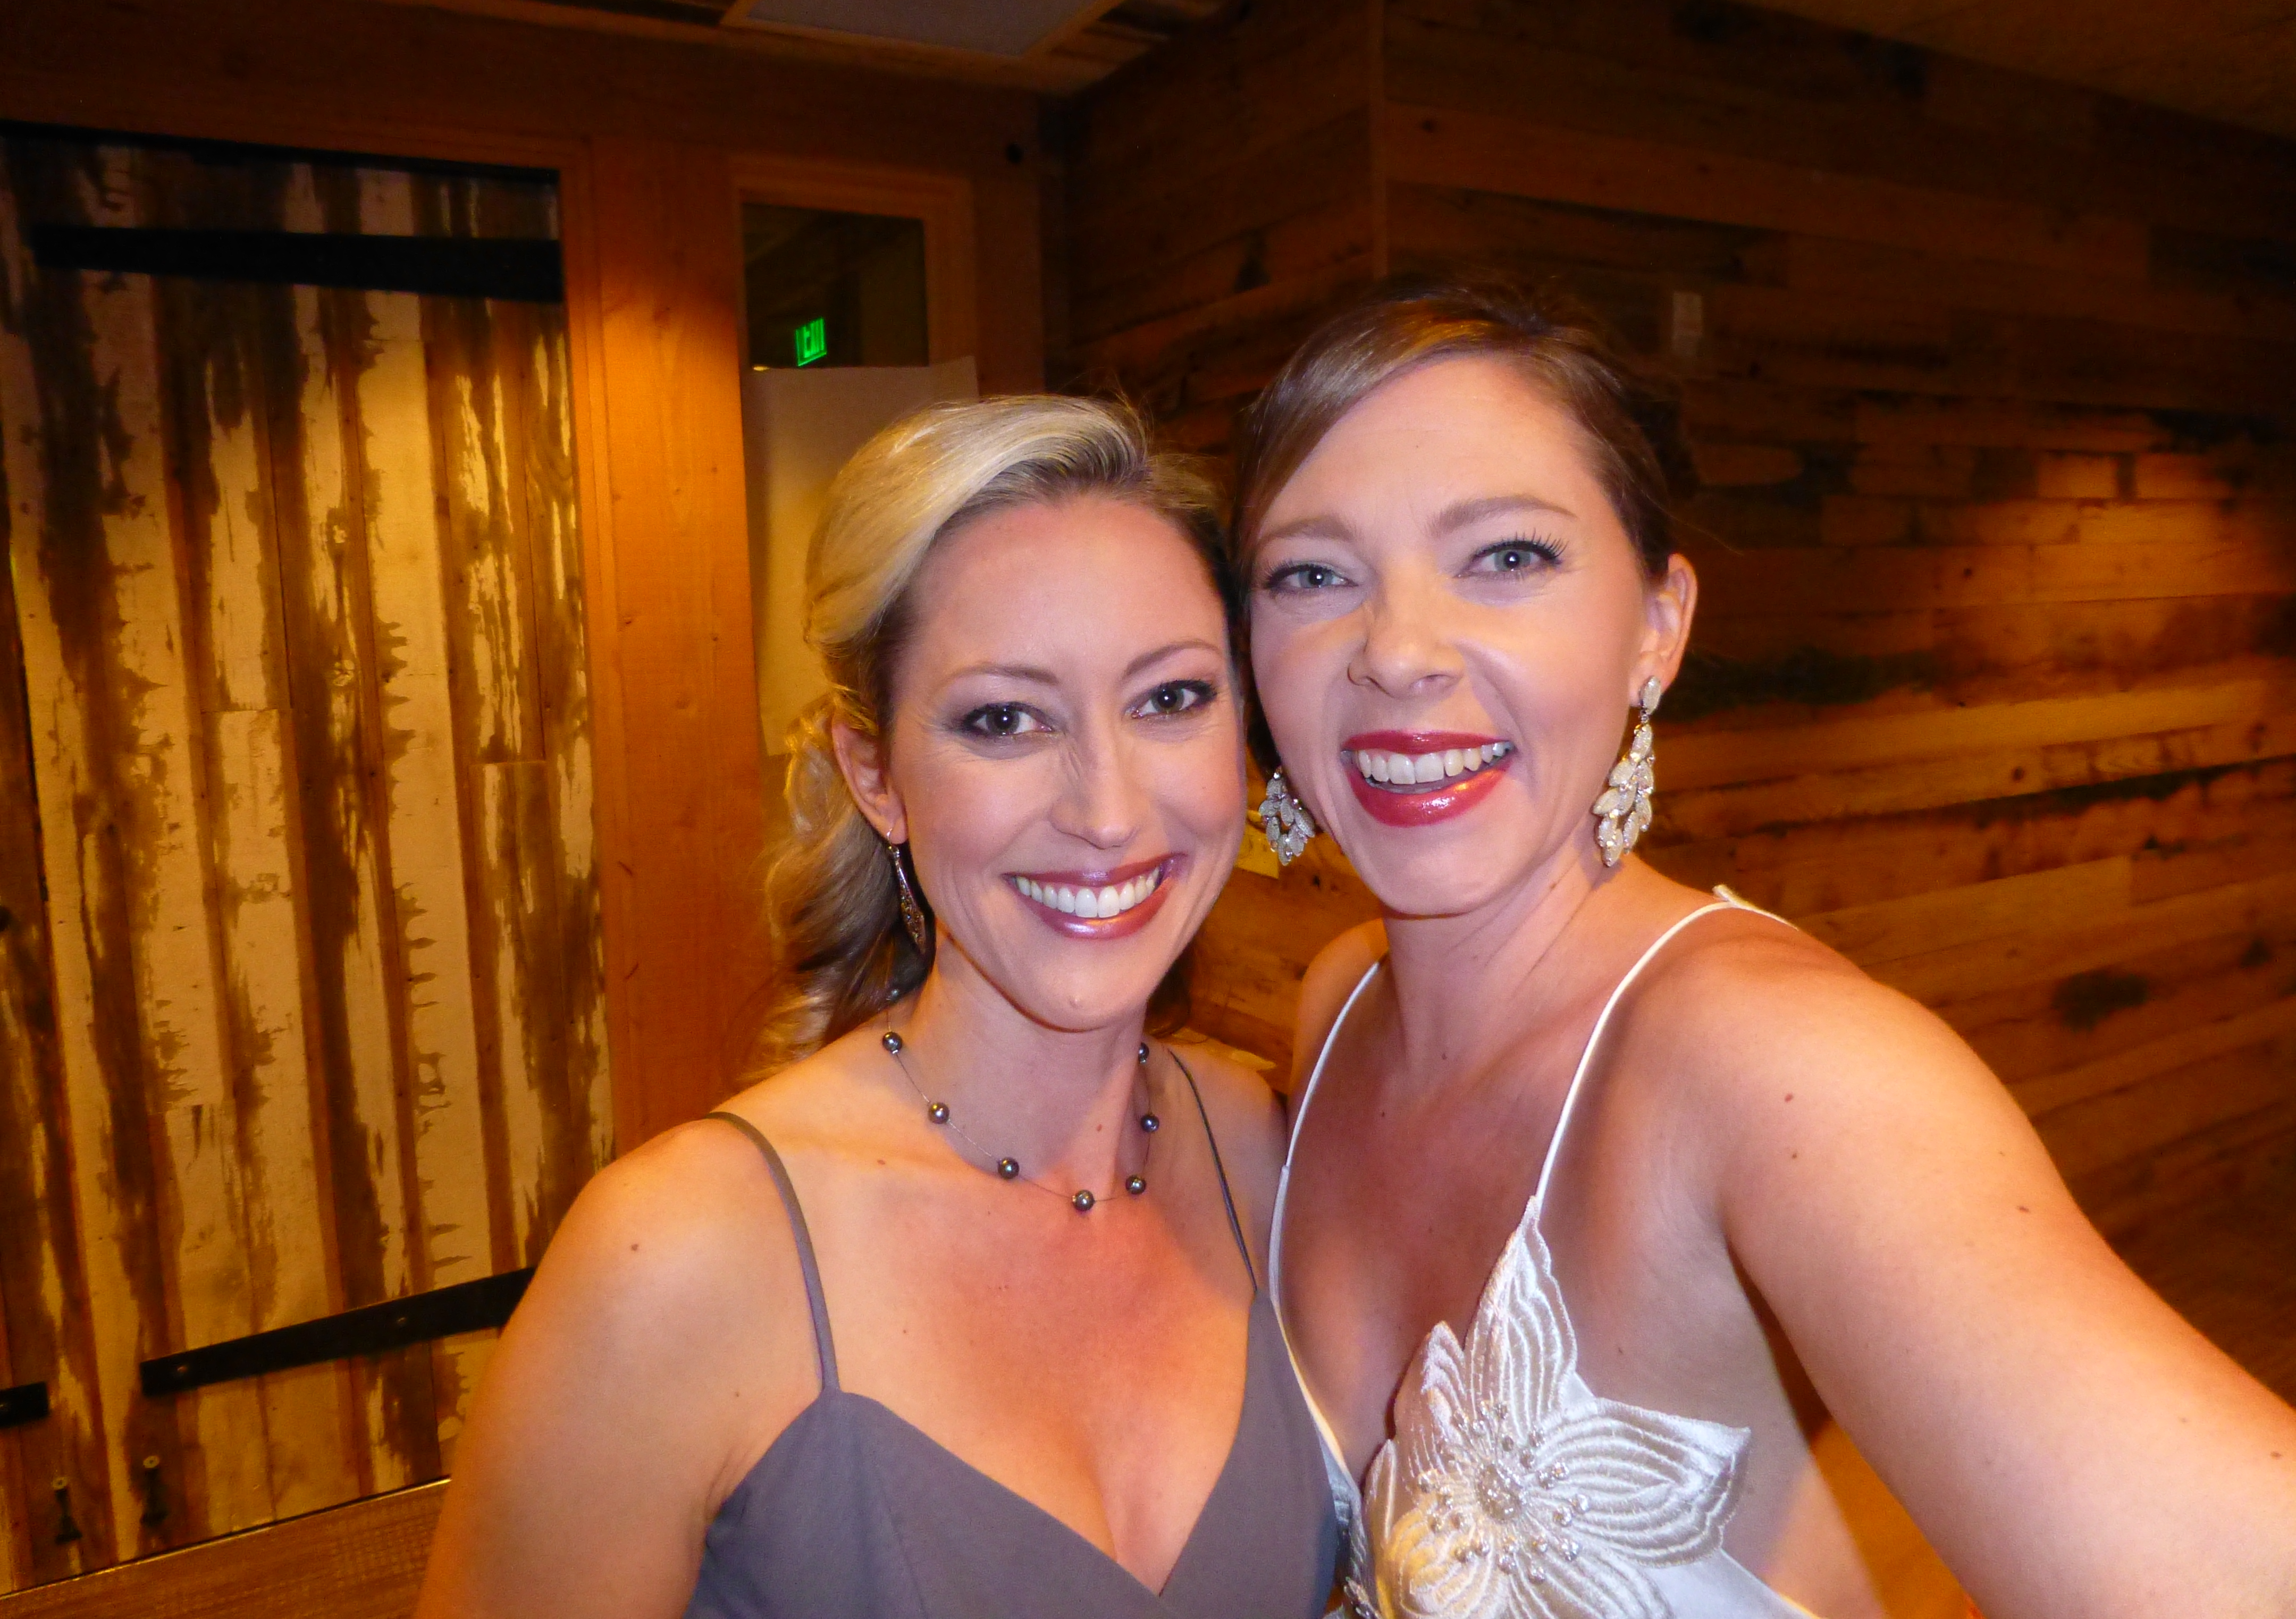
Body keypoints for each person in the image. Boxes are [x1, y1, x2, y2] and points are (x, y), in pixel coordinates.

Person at [1238, 277, 2296, 1619]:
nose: (1396, 652)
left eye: (1507, 557)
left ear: (1658, 626)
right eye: (1312, 574)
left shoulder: (1775, 1064)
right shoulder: (1339, 1002)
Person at [416, 397, 1340, 1619]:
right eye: (1004, 719)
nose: (1109, 813)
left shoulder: (1262, 1150)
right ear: (876, 775)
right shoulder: (676, 1262)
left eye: (1169, 699)